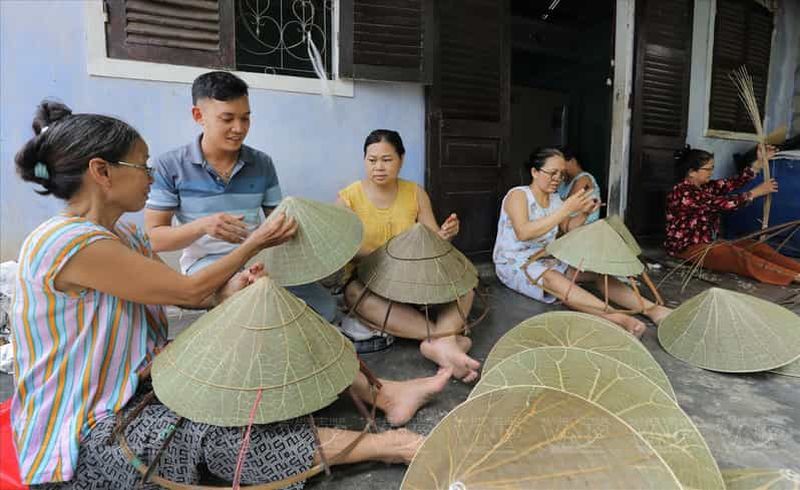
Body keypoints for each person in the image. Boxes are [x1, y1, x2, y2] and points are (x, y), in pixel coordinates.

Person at [9, 101, 448, 488]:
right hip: (90, 426)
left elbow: (184, 296)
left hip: (144, 378)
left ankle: (385, 394)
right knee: (224, 430)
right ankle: (390, 445)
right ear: (101, 172)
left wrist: (230, 290)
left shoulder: (126, 236)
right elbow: (189, 289)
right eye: (142, 166)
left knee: (275, 333)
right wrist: (254, 244)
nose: (150, 176)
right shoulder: (66, 242)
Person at [143, 71, 337, 321]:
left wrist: (305, 229)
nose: (239, 128)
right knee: (253, 305)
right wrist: (203, 226)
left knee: (325, 308)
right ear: (198, 116)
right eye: (228, 119)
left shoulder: (262, 163)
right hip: (207, 266)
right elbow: (155, 239)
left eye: (245, 118)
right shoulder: (170, 165)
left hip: (258, 257)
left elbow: (278, 221)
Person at [336, 130, 481, 383]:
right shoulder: (348, 198)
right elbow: (342, 248)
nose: (378, 167)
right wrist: (384, 257)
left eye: (387, 160)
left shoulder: (415, 193)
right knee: (354, 295)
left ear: (401, 160)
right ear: (364, 160)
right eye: (372, 160)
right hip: (370, 282)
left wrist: (445, 234)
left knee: (465, 288)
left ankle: (439, 344)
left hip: (415, 281)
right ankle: (447, 341)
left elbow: (432, 239)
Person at [493, 148, 671, 338]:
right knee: (555, 279)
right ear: (535, 172)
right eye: (552, 173)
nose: (557, 178)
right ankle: (617, 318)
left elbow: (568, 227)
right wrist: (565, 209)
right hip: (515, 263)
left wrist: (584, 213)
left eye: (561, 174)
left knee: (597, 273)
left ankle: (651, 309)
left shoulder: (555, 199)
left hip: (546, 258)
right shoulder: (518, 195)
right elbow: (523, 232)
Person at [665, 145, 800, 285]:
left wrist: (759, 162)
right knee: (738, 256)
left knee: (756, 247)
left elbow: (733, 183)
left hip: (709, 243)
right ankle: (793, 277)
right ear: (692, 172)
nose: (711, 172)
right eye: (708, 169)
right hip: (689, 249)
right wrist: (755, 192)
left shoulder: (704, 187)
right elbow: (723, 203)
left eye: (712, 168)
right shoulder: (683, 192)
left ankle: (797, 270)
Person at [557, 146, 602, 224]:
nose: (560, 169)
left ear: (572, 161)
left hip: (584, 226)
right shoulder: (563, 182)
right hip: (566, 225)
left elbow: (569, 203)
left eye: (561, 164)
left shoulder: (584, 179)